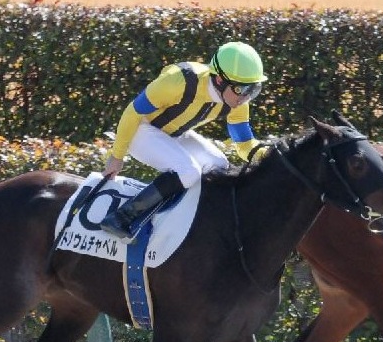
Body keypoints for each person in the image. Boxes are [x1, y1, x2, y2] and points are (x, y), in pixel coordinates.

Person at [99, 41, 267, 240]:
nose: (245, 98)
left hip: (174, 134)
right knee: (189, 171)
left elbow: (245, 145)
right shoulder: (178, 81)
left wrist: (273, 155)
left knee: (219, 166)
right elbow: (132, 112)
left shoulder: (237, 102)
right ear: (220, 80)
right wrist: (117, 156)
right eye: (241, 89)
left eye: (252, 90)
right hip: (140, 130)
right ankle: (121, 217)